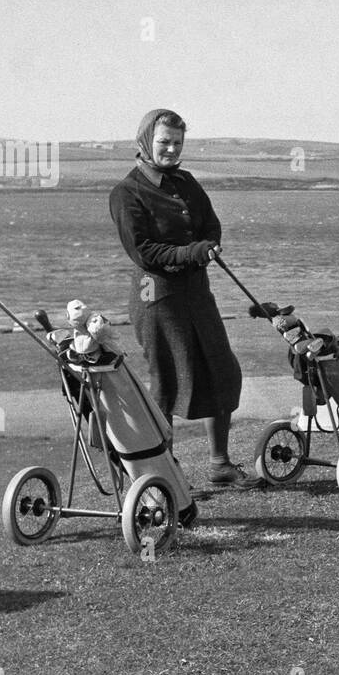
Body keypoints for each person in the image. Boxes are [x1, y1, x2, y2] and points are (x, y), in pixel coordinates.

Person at [109, 108, 263, 489]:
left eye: (177, 143)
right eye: (164, 142)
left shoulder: (186, 182)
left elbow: (210, 223)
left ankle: (220, 465)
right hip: (157, 297)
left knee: (222, 371)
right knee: (166, 383)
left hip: (196, 292)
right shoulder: (126, 193)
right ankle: (165, 475)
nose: (171, 149)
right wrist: (192, 253)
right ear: (146, 141)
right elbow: (144, 252)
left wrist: (208, 243)